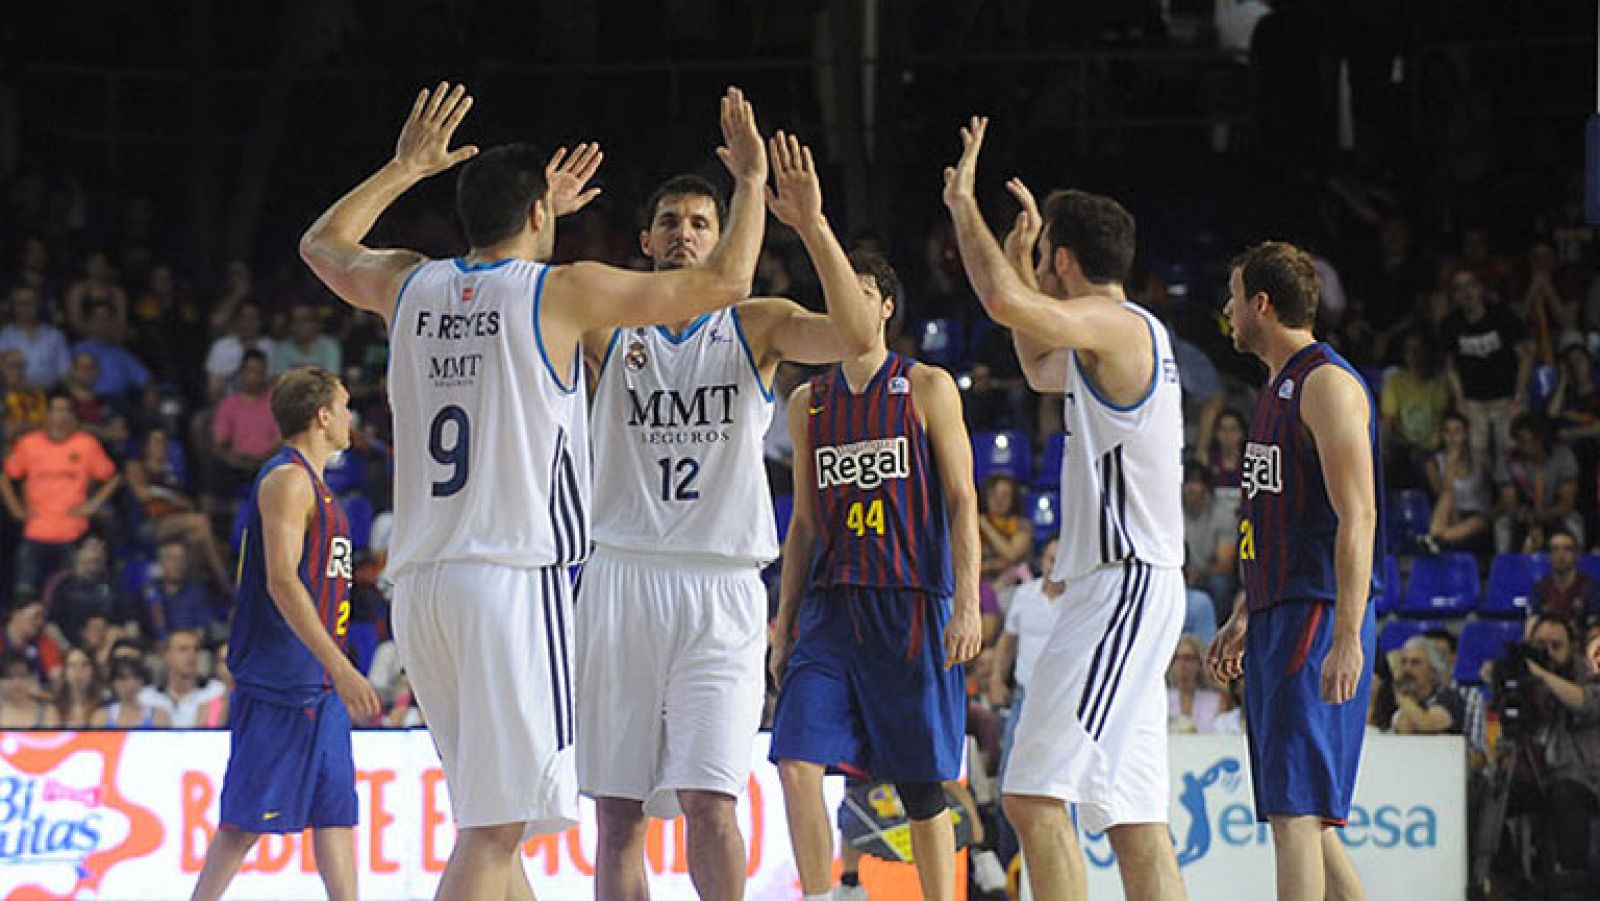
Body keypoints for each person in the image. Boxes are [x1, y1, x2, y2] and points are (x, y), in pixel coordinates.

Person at [297, 82, 770, 900]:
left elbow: (321, 244)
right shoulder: (560, 292)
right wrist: (755, 186)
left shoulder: (409, 284)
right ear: (543, 217)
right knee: (494, 831)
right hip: (511, 582)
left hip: (422, 590)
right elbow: (725, 285)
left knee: (497, 823)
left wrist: (403, 167)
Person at [576, 132, 877, 901]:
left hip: (721, 586)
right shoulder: (607, 319)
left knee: (712, 803)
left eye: (700, 222)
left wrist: (809, 223)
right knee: (618, 815)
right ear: (644, 239)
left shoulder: (756, 323)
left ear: (724, 236)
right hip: (622, 574)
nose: (684, 233)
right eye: (670, 221)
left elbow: (856, 336)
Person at [942, 116, 1187, 900]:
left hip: (1122, 586)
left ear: (1068, 263)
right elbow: (1041, 363)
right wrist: (1018, 260)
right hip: (1132, 585)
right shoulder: (1108, 340)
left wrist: (962, 206)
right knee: (1134, 820)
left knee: (1032, 794)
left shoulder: (1115, 326)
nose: (1038, 271)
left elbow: (1001, 303)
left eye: (1046, 257)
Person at [769, 250, 982, 901]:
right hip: (831, 609)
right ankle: (822, 894)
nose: (849, 304)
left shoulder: (926, 385)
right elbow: (804, 523)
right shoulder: (808, 400)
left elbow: (961, 497)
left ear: (887, 307)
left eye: (862, 292)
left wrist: (967, 600)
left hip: (911, 601)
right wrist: (784, 621)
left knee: (920, 785)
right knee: (794, 756)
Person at [1208, 241, 1382, 901]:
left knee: (1295, 811)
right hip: (1278, 609)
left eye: (1232, 296)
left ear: (1261, 303)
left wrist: (1347, 634)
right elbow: (1278, 518)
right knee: (1304, 813)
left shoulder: (1326, 384)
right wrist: (1244, 611)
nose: (1225, 310)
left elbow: (1357, 515)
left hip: (1315, 610)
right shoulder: (1275, 388)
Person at [190, 366, 375, 901]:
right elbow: (280, 579)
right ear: (321, 416)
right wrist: (341, 666)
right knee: (245, 822)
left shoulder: (317, 485)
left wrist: (334, 668)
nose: (349, 416)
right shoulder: (288, 479)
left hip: (317, 678)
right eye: (342, 406)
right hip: (282, 677)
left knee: (336, 812)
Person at [1, 391, 120, 599]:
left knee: (71, 596)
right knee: (24, 595)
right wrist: (15, 508)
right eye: (56, 410)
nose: (61, 416)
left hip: (72, 534)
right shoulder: (29, 443)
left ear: (74, 417)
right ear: (46, 414)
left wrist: (93, 504)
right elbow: (6, 475)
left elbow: (114, 476)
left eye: (66, 410)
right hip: (34, 533)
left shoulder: (87, 444)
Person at [1168, 634, 1230, 733]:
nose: (1182, 664)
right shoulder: (1162, 699)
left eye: (1188, 658)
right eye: (1177, 658)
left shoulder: (1217, 700)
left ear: (1199, 663)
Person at [100, 655, 170, 728]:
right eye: (123, 678)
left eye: (136, 677)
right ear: (113, 683)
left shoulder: (158, 716)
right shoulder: (102, 717)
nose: (131, 684)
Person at [53, 644, 107, 727]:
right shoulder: (54, 709)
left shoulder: (105, 707)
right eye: (72, 665)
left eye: (84, 665)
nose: (78, 671)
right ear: (65, 672)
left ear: (93, 670)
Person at [0, 651, 58, 728]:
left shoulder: (48, 713)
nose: (17, 683)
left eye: (22, 675)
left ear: (32, 678)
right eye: (9, 676)